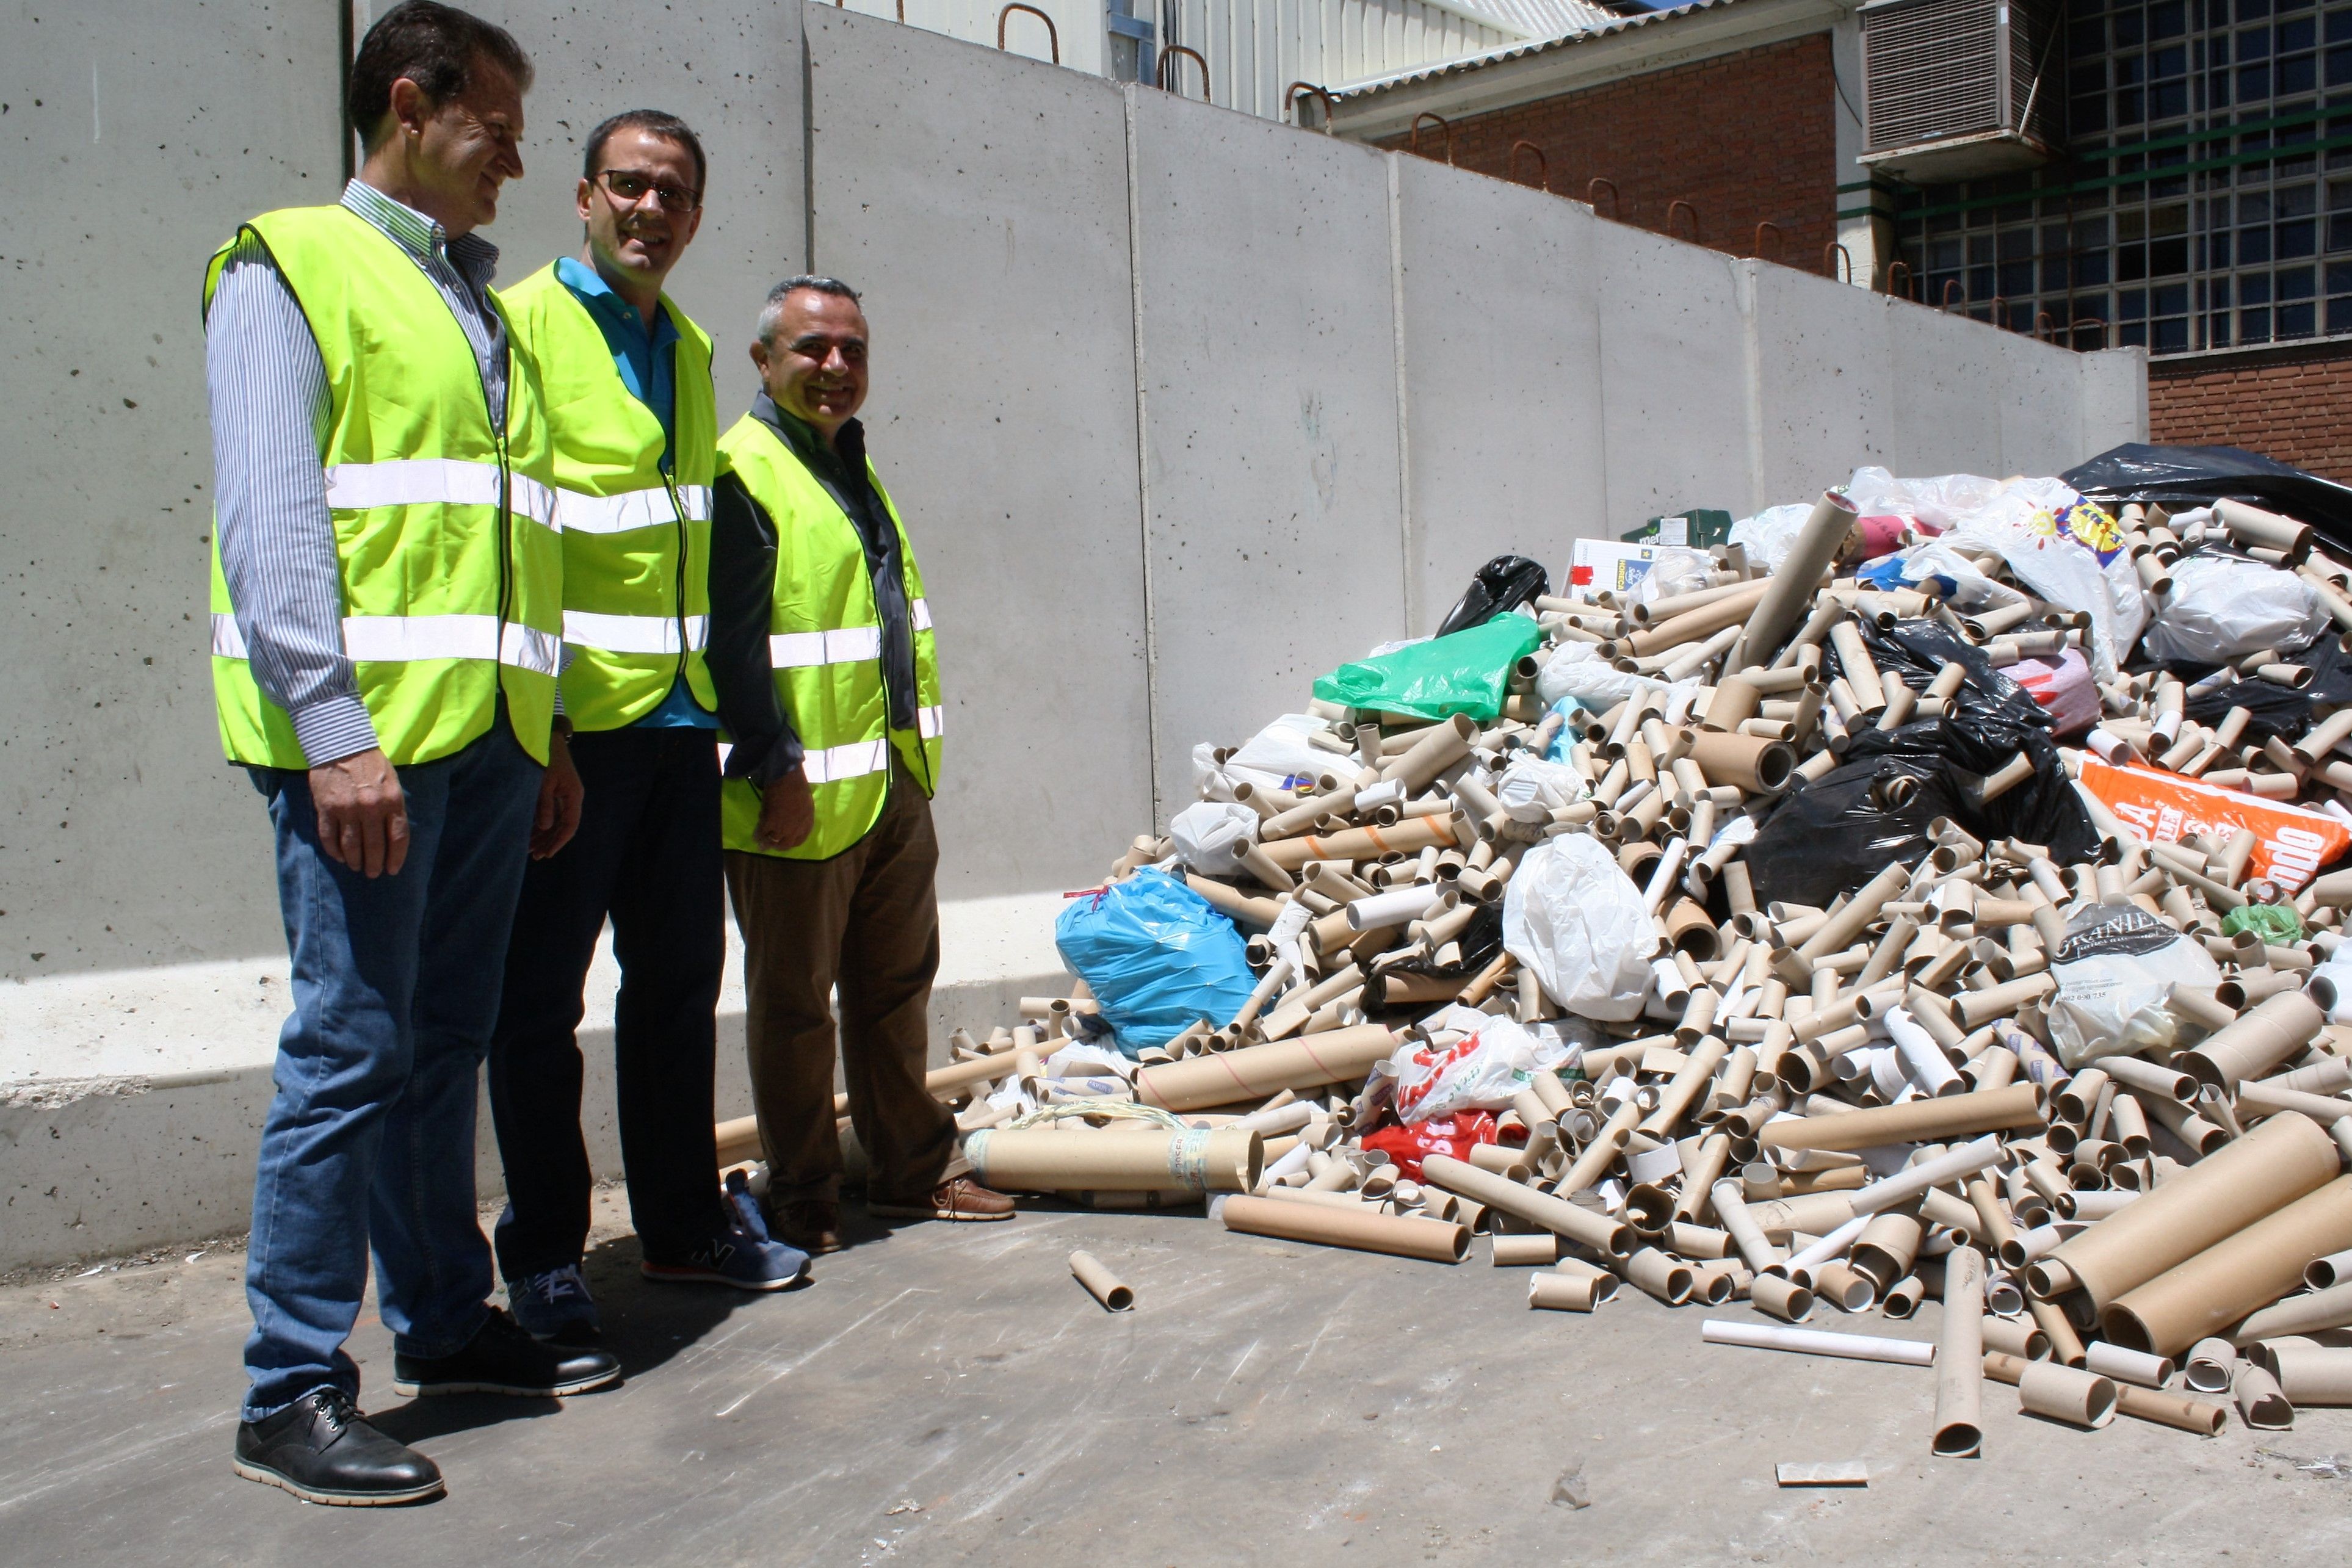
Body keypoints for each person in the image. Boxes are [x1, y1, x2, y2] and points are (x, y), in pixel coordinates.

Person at [207, 1, 617, 1508]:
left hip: (492, 741)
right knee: (347, 1053)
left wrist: (551, 724)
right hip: (368, 750)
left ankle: (444, 1317)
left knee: (441, 1042)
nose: (514, 161)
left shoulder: (478, 306)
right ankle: (289, 1387)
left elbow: (509, 547)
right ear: (406, 102)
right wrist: (331, 729)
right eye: (494, 131)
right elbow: (272, 515)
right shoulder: (290, 265)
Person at [486, 109, 807, 1346]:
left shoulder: (685, 343)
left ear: (696, 214)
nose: (649, 211)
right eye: (628, 187)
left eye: (673, 193)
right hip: (576, 729)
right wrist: (548, 730)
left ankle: (680, 1227)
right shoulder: (523, 327)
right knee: (536, 1004)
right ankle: (547, 1256)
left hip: (678, 729)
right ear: (581, 197)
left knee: (677, 986)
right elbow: (514, 540)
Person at [706, 277, 1013, 1255]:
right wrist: (769, 767)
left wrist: (910, 773)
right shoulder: (744, 469)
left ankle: (910, 1169)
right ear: (764, 361)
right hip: (793, 793)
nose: (835, 367)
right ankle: (801, 1191)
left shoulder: (848, 464)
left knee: (894, 988)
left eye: (852, 350)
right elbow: (729, 638)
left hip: (887, 781)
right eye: (811, 349)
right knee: (795, 1005)